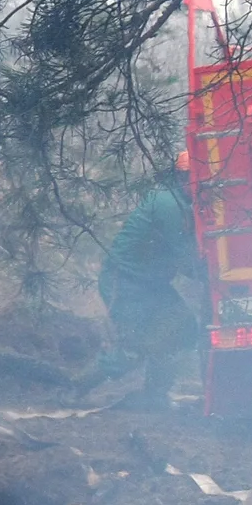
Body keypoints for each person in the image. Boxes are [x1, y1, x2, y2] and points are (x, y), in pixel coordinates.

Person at [80, 151, 202, 409]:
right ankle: (73, 388)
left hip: (152, 284)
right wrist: (214, 276)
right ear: (182, 177)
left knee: (183, 328)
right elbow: (186, 255)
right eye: (194, 178)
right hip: (126, 281)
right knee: (134, 346)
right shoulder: (170, 204)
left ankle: (155, 397)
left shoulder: (182, 203)